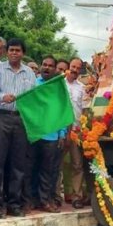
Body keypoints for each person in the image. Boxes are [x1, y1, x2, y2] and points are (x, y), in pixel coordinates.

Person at [0, 38, 37, 218]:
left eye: (18, 50)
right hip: (0, 117)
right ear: (7, 52)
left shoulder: (29, 73)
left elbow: (32, 96)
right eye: (12, 50)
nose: (14, 53)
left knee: (18, 163)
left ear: (23, 53)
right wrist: (1, 97)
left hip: (21, 120)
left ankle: (14, 203)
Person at [30, 56, 66, 212]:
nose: (46, 68)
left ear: (55, 69)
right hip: (34, 133)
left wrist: (62, 133)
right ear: (40, 66)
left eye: (50, 66)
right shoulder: (32, 84)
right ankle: (32, 200)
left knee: (48, 171)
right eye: (44, 64)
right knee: (31, 169)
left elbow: (62, 111)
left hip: (51, 135)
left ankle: (46, 200)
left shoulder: (58, 87)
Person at [63, 58, 91, 208]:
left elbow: (85, 109)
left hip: (75, 130)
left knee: (77, 164)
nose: (74, 69)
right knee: (57, 164)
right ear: (68, 67)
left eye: (78, 68)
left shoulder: (81, 87)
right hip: (59, 130)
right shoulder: (59, 85)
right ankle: (54, 196)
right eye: (72, 66)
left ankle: (77, 196)